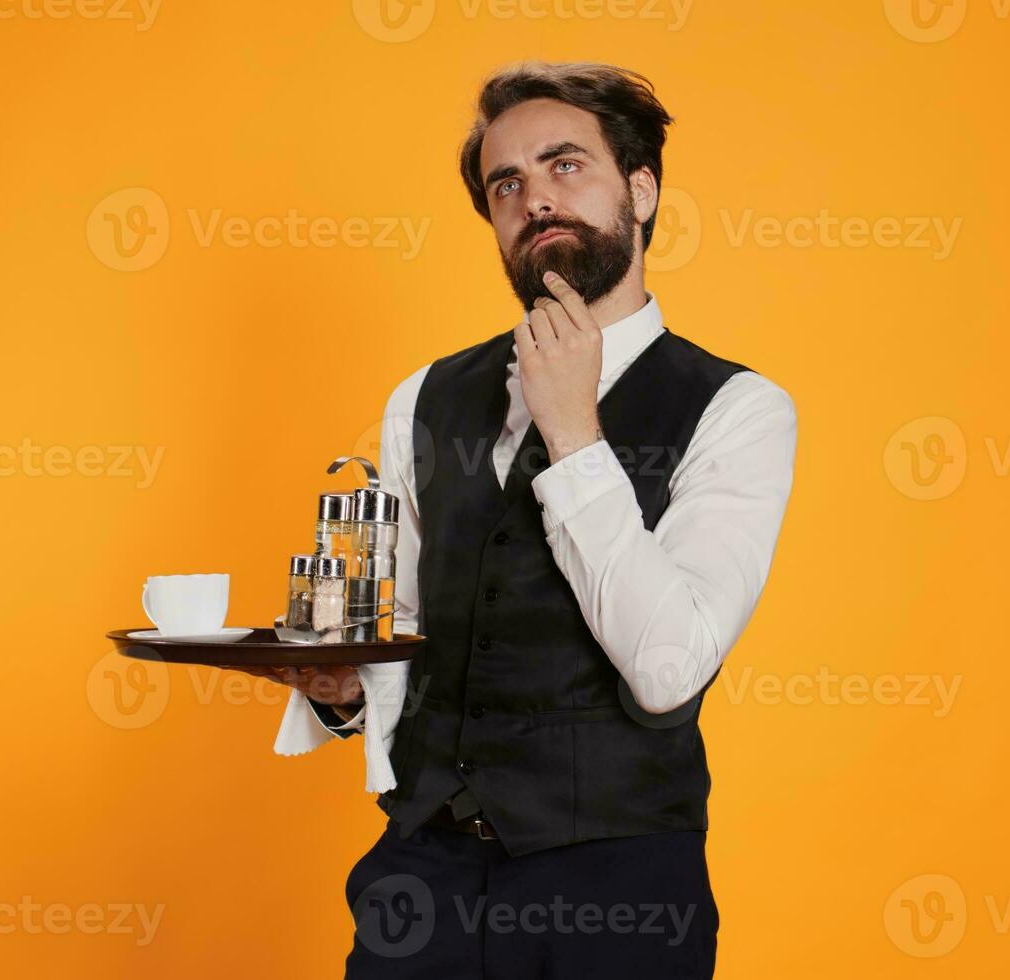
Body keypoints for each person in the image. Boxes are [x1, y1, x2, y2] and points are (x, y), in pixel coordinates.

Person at [246, 61, 796, 978]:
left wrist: (575, 432)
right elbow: (405, 631)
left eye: (565, 165)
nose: (536, 198)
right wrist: (339, 693)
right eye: (509, 184)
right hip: (421, 882)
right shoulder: (424, 397)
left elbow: (668, 669)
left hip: (620, 894)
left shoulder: (739, 409)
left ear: (642, 188)